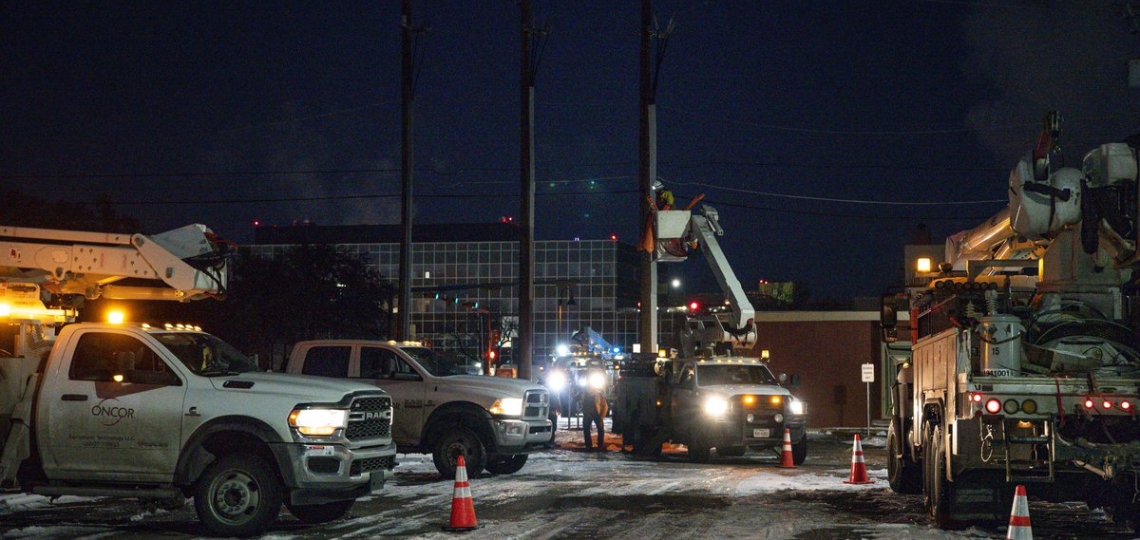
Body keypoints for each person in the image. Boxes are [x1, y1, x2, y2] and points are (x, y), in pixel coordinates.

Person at [582, 374, 609, 451]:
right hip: (587, 414)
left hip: (597, 414)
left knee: (600, 429)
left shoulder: (598, 394)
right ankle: (589, 445)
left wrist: (602, 416)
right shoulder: (584, 393)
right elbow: (575, 398)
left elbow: (605, 406)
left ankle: (600, 445)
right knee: (586, 429)